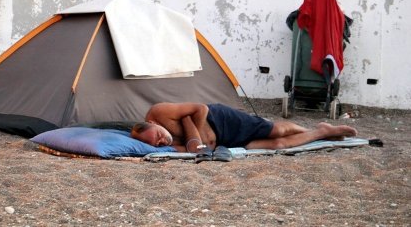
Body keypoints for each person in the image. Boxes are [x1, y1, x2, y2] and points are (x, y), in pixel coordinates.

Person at [130, 102, 357, 153]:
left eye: (159, 135)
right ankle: (322, 132)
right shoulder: (158, 144)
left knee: (277, 130)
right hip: (224, 141)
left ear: (153, 123)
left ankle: (318, 127)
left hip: (221, 120)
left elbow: (199, 108)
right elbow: (191, 149)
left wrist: (198, 135)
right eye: (157, 142)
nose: (162, 141)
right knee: (277, 145)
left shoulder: (160, 112)